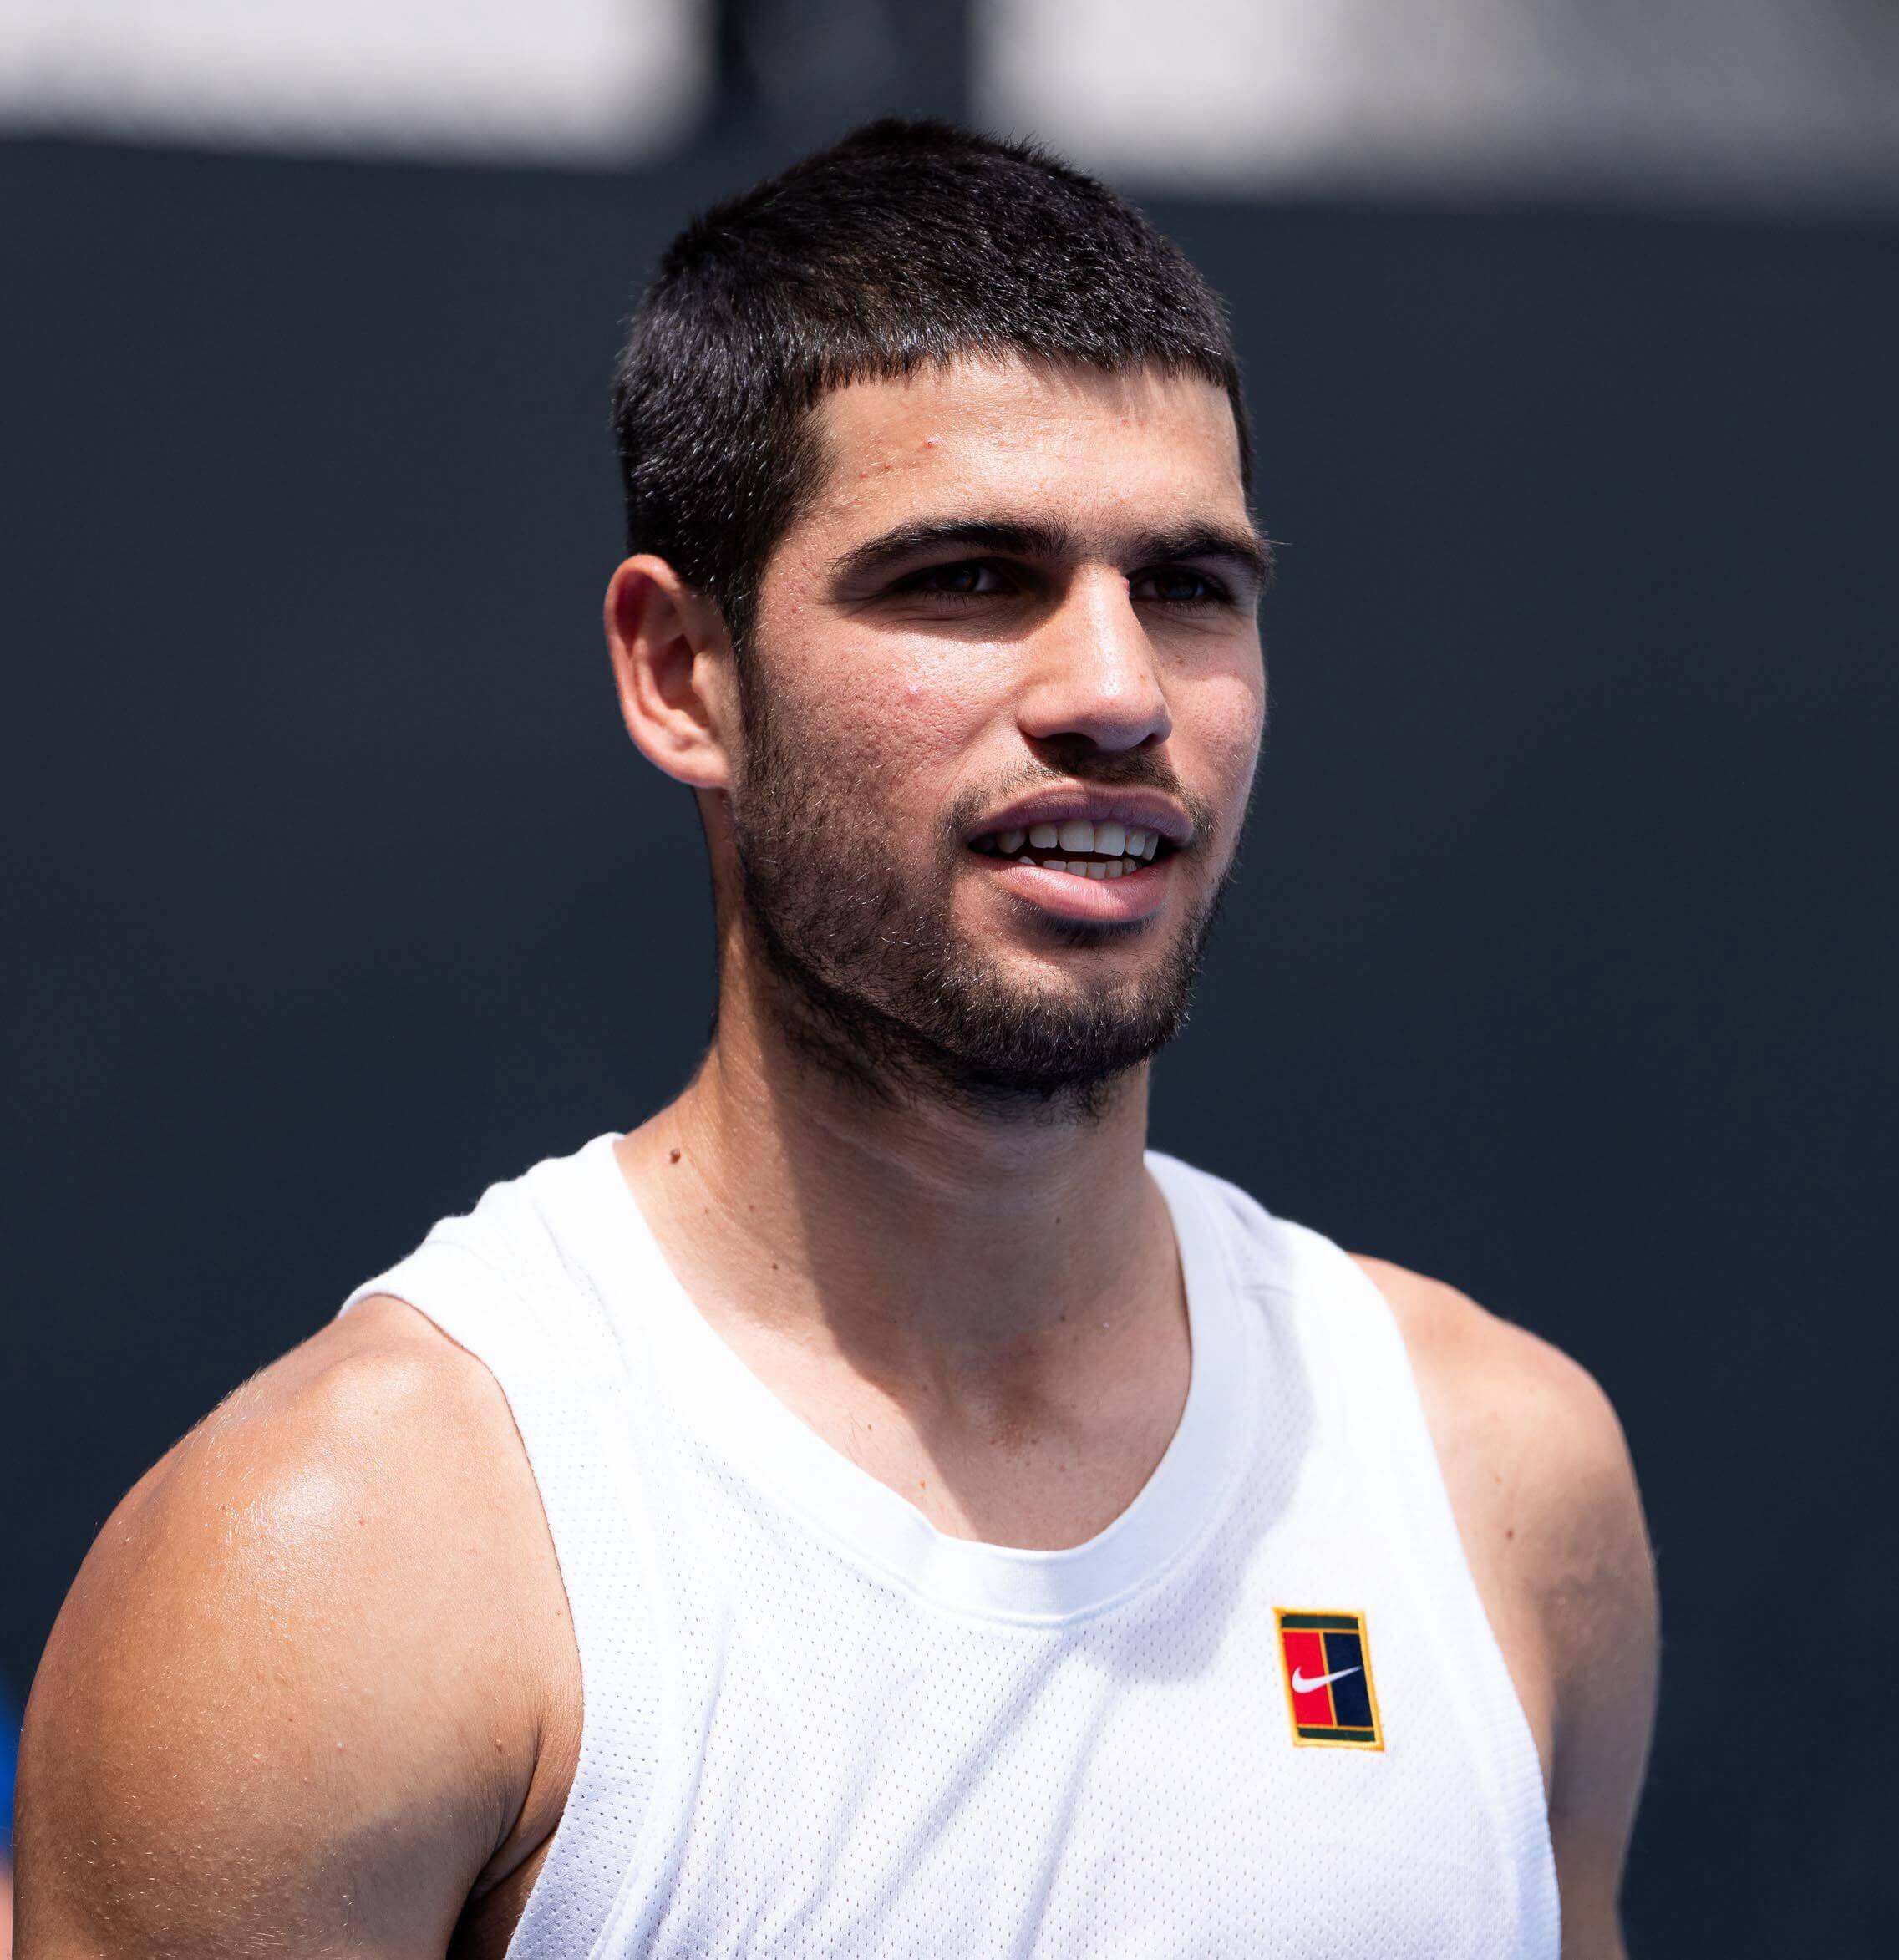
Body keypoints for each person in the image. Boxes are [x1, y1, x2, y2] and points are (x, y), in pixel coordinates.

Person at [18, 120, 1656, 1957]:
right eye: (968, 577)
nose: (1115, 691)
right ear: (680, 673)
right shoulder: (342, 1568)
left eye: (1189, 586)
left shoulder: (1494, 1477)